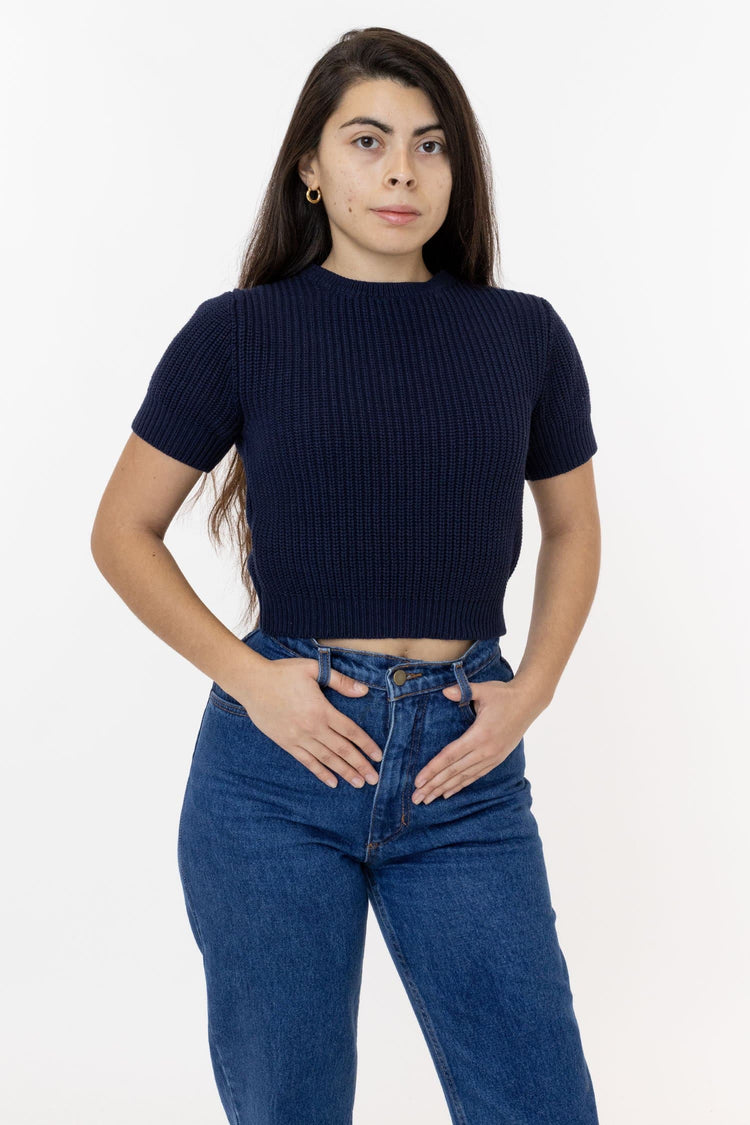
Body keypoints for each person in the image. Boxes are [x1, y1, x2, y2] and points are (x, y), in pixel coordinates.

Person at [91, 26, 601, 1125]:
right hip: (277, 766)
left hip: (464, 767)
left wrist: (532, 690)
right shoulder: (239, 334)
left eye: (431, 144)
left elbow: (571, 529)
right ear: (311, 170)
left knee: (539, 1100)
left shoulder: (524, 336)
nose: (402, 171)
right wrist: (249, 679)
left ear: (458, 172)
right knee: (290, 1105)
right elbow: (123, 530)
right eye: (368, 141)